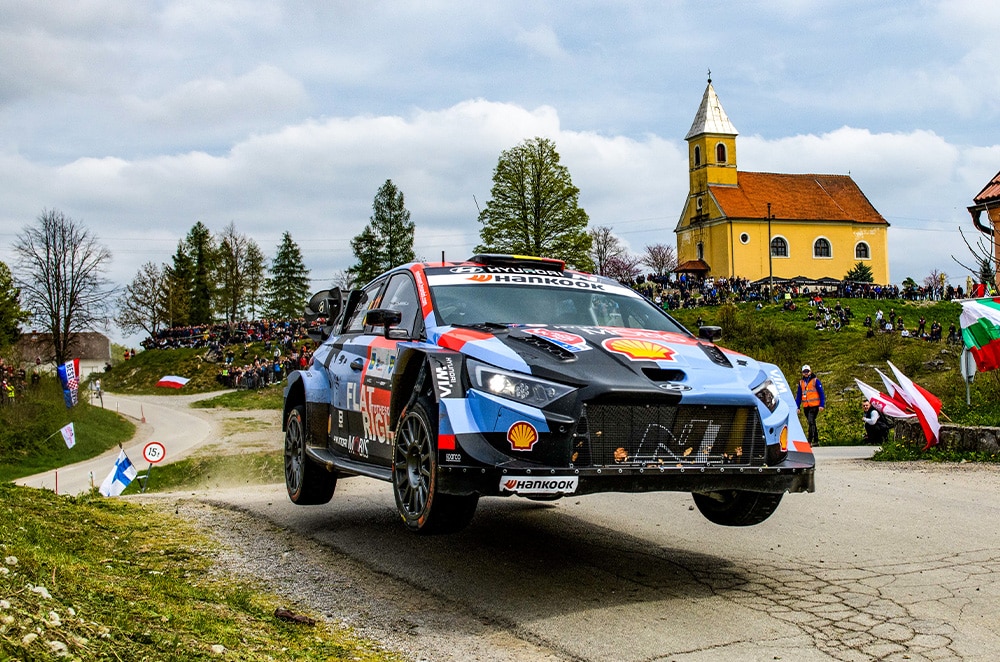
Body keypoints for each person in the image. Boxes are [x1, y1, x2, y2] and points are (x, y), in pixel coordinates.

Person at [796, 364, 825, 446]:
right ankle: (816, 441)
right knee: (812, 423)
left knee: (811, 422)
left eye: (807, 371)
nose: (806, 373)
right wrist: (797, 407)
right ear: (802, 373)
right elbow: (799, 396)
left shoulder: (815, 381)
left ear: (810, 371)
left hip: (814, 405)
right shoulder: (801, 382)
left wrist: (821, 405)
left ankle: (809, 441)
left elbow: (821, 393)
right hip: (806, 406)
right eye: (804, 371)